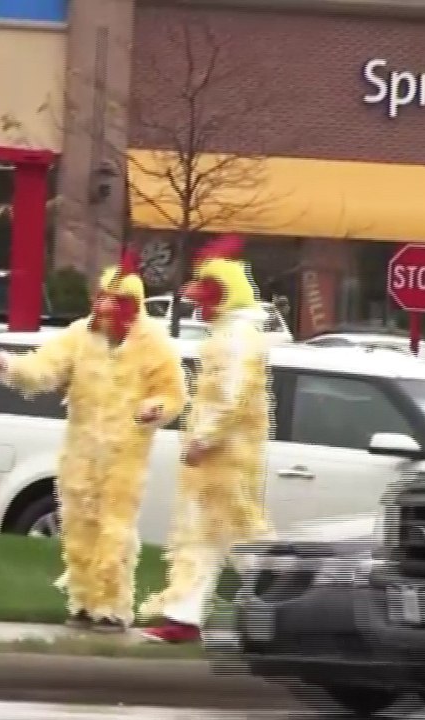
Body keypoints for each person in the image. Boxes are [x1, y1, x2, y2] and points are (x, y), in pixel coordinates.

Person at [0, 251, 186, 632]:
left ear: (131, 307)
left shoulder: (153, 343)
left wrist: (153, 409)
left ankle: (111, 607)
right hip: (80, 452)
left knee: (114, 527)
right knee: (77, 526)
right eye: (101, 300)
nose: (104, 310)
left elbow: (174, 394)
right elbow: (44, 368)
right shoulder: (80, 336)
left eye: (114, 303)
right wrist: (11, 366)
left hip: (125, 454)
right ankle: (82, 601)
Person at [138, 234, 274, 644]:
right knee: (213, 536)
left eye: (205, 295)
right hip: (222, 458)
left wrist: (204, 438)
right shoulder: (233, 334)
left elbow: (232, 394)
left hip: (226, 459)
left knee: (238, 536)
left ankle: (289, 605)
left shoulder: (237, 339)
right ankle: (186, 618)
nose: (198, 304)